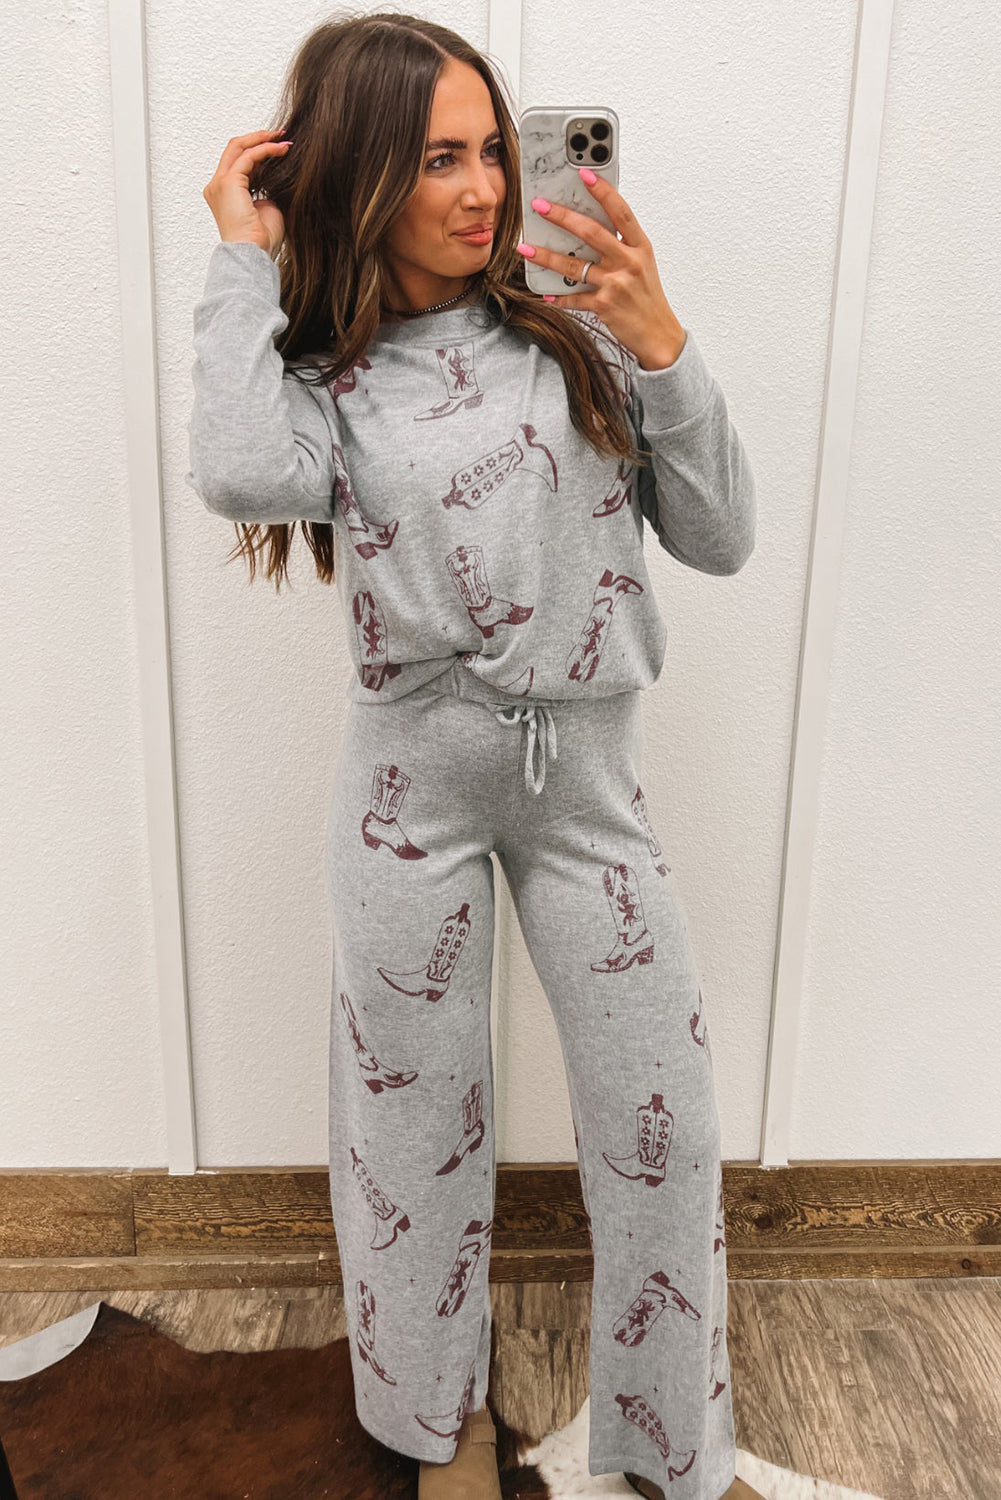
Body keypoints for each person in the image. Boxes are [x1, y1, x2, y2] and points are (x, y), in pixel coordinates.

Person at [185, 14, 764, 1500]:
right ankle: (428, 1429)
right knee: (410, 1134)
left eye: (493, 149)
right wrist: (241, 256)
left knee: (662, 1124)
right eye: (440, 157)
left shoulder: (580, 329)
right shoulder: (324, 376)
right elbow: (241, 471)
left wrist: (662, 342)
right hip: (408, 799)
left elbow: (718, 537)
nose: (487, 187)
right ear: (361, 173)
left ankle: (671, 1451)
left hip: (590, 799)